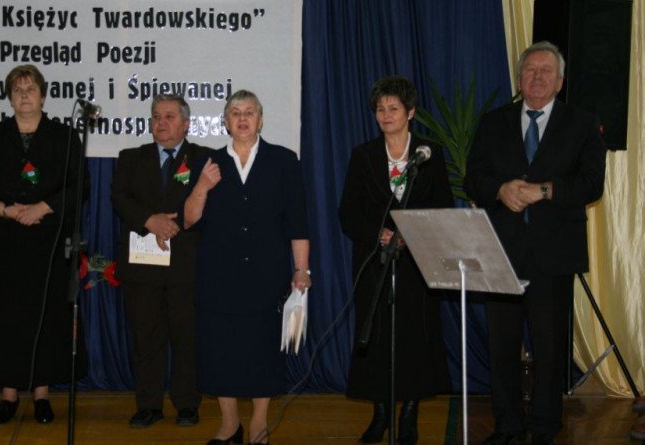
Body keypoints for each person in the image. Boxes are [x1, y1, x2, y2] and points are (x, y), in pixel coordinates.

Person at [464, 41, 606, 445]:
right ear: (519, 79)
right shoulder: (493, 122)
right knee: (502, 345)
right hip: (502, 253)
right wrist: (500, 190)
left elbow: (591, 184)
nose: (537, 77)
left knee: (549, 346)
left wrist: (545, 190)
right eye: (530, 70)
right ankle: (507, 424)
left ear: (559, 82)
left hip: (554, 254)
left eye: (546, 71)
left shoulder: (583, 123)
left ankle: (545, 425)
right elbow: (474, 178)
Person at [184, 90, 311, 445]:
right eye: (235, 112)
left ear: (261, 120)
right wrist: (203, 186)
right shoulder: (207, 161)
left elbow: (298, 222)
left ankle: (258, 423)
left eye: (249, 112)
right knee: (220, 351)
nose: (242, 118)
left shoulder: (283, 161)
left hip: (265, 275)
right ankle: (229, 425)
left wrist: (302, 270)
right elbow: (189, 219)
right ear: (225, 121)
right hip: (218, 275)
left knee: (262, 351)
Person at [0, 64, 86, 425]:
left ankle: (42, 396)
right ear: (9, 97)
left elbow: (80, 185)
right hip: (3, 243)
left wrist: (42, 208)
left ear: (43, 96)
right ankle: (8, 397)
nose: (24, 95)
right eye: (17, 90)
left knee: (45, 317)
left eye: (31, 89)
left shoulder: (64, 137)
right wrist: (4, 210)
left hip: (48, 243)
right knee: (5, 319)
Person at [338, 76, 452, 445]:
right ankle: (381, 414)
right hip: (375, 261)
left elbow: (443, 209)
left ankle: (410, 414)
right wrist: (379, 233)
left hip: (417, 264)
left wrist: (412, 234)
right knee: (377, 338)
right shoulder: (363, 155)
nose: (386, 115)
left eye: (393, 108)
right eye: (380, 109)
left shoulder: (430, 154)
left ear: (410, 112)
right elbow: (348, 213)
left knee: (415, 338)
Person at [111, 94, 210, 429]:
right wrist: (149, 220)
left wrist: (173, 223)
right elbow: (119, 198)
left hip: (186, 266)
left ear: (186, 123)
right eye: (156, 116)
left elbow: (210, 202)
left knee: (186, 338)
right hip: (142, 266)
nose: (161, 123)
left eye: (169, 116)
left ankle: (187, 403)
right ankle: (148, 405)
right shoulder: (131, 158)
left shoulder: (203, 158)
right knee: (145, 339)